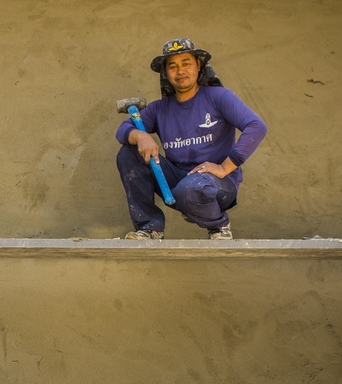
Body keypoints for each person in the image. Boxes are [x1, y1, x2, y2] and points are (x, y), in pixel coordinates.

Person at [115, 38, 268, 239]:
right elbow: (123, 130)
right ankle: (150, 227)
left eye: (186, 63)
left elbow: (256, 126)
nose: (180, 71)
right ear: (166, 73)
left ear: (198, 65)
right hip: (179, 181)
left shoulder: (219, 97)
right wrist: (140, 135)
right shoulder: (160, 108)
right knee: (129, 152)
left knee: (192, 189)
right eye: (173, 66)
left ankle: (219, 226)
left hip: (216, 185)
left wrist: (224, 168)